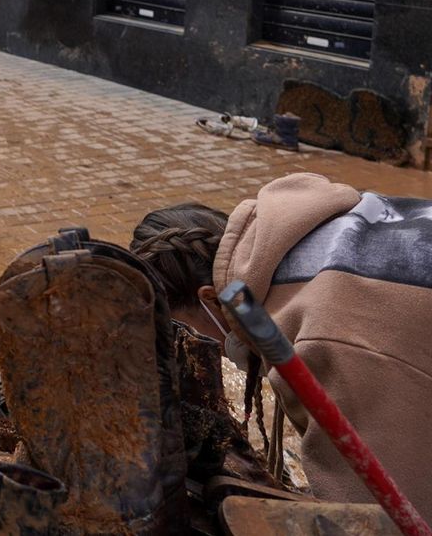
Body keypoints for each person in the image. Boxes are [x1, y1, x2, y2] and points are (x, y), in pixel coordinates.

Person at [130, 172, 432, 516]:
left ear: (209, 299)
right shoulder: (306, 232)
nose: (196, 349)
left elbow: (374, 514)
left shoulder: (324, 337)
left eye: (187, 334)